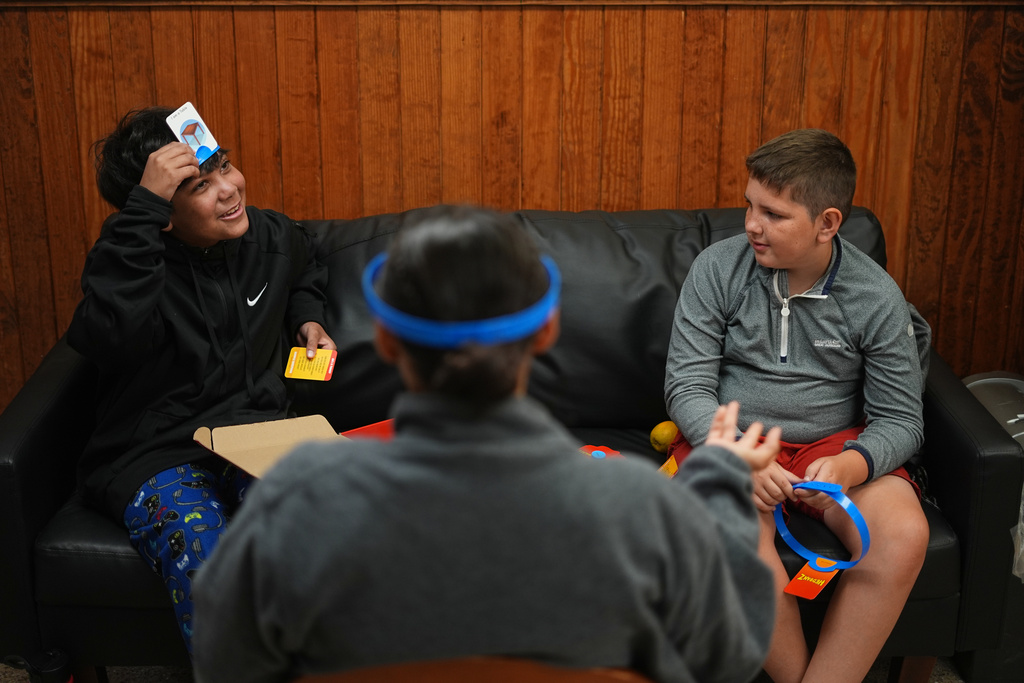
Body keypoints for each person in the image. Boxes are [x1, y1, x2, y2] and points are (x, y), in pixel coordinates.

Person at [192, 205, 779, 683]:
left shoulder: (298, 497)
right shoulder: (641, 506)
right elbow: (728, 655)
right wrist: (721, 490)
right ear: (546, 331)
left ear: (388, 341)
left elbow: (226, 662)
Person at [664, 129, 930, 683]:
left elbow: (902, 419)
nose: (751, 225)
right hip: (732, 439)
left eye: (774, 214)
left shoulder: (875, 296)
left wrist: (853, 464)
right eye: (749, 206)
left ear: (827, 223)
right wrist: (734, 454)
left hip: (833, 446)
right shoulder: (718, 269)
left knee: (904, 534)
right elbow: (687, 387)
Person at [67, 106, 336, 654]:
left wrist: (306, 315)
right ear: (162, 211)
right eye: (199, 186)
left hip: (259, 433)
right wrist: (141, 214)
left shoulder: (267, 235)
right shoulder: (128, 262)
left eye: (226, 167)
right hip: (157, 453)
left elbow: (307, 260)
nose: (230, 190)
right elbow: (109, 340)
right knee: (210, 562)